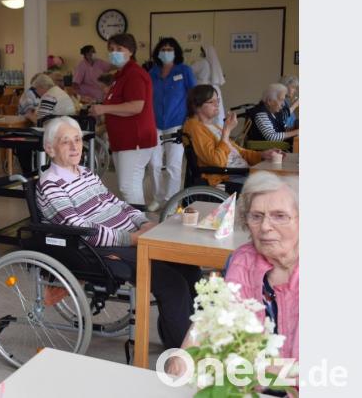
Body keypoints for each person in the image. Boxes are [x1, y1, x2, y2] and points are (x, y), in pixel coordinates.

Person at [36, 117, 201, 349]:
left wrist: (143, 223)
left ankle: (192, 335)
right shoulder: (51, 184)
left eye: (77, 140)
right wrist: (132, 238)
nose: (75, 147)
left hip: (127, 236)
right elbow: (82, 230)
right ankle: (183, 353)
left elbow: (116, 204)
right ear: (49, 148)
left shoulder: (85, 173)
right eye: (66, 142)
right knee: (171, 283)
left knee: (188, 267)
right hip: (98, 249)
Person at [167, 171, 299, 375]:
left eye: (279, 216)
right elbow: (215, 316)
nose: (265, 227)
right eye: (256, 216)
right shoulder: (244, 259)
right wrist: (184, 355)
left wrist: (251, 370)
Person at [89, 33, 157, 206]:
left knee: (128, 186)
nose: (114, 52)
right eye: (111, 49)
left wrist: (104, 109)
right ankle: (137, 225)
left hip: (135, 139)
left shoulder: (134, 74)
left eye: (119, 49)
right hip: (123, 140)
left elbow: (136, 106)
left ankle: (140, 226)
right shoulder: (120, 76)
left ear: (131, 51)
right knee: (129, 185)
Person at [182, 85, 281, 193]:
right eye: (212, 102)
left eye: (218, 101)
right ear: (197, 105)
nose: (217, 105)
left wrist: (262, 155)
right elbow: (217, 161)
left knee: (279, 181)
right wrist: (226, 132)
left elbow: (239, 152)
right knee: (275, 188)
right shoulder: (194, 127)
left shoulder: (213, 126)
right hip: (228, 176)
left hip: (242, 172)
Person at [147, 37, 197, 211]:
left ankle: (171, 200)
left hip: (177, 122)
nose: (166, 52)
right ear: (158, 52)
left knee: (173, 165)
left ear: (176, 52)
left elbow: (194, 95)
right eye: (163, 49)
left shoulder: (184, 70)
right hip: (154, 123)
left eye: (170, 49)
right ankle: (157, 197)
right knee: (153, 163)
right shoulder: (152, 73)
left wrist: (190, 120)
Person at [190, 44, 226, 125]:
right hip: (214, 91)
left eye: (202, 51)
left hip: (203, 92)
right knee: (216, 112)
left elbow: (189, 70)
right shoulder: (214, 64)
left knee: (204, 113)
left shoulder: (202, 62)